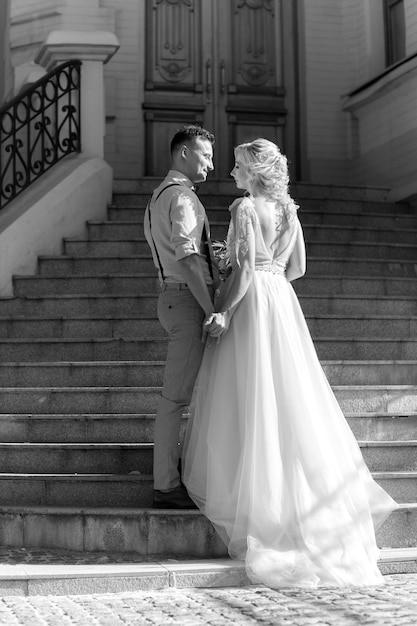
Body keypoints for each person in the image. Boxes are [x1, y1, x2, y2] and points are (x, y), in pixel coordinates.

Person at [182, 138, 398, 587]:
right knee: (289, 391)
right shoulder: (289, 210)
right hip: (283, 299)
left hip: (254, 302)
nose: (232, 172)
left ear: (254, 171)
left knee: (251, 390)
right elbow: (297, 267)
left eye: (239, 166)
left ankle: (260, 497)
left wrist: (223, 309)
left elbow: (242, 270)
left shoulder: (244, 208)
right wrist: (270, 268)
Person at [144, 124, 224, 509]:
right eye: (205, 155)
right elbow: (189, 256)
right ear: (184, 154)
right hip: (187, 301)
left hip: (172, 297)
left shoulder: (158, 196)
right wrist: (212, 308)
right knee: (175, 399)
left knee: (180, 395)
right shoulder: (183, 199)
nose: (211, 163)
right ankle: (166, 486)